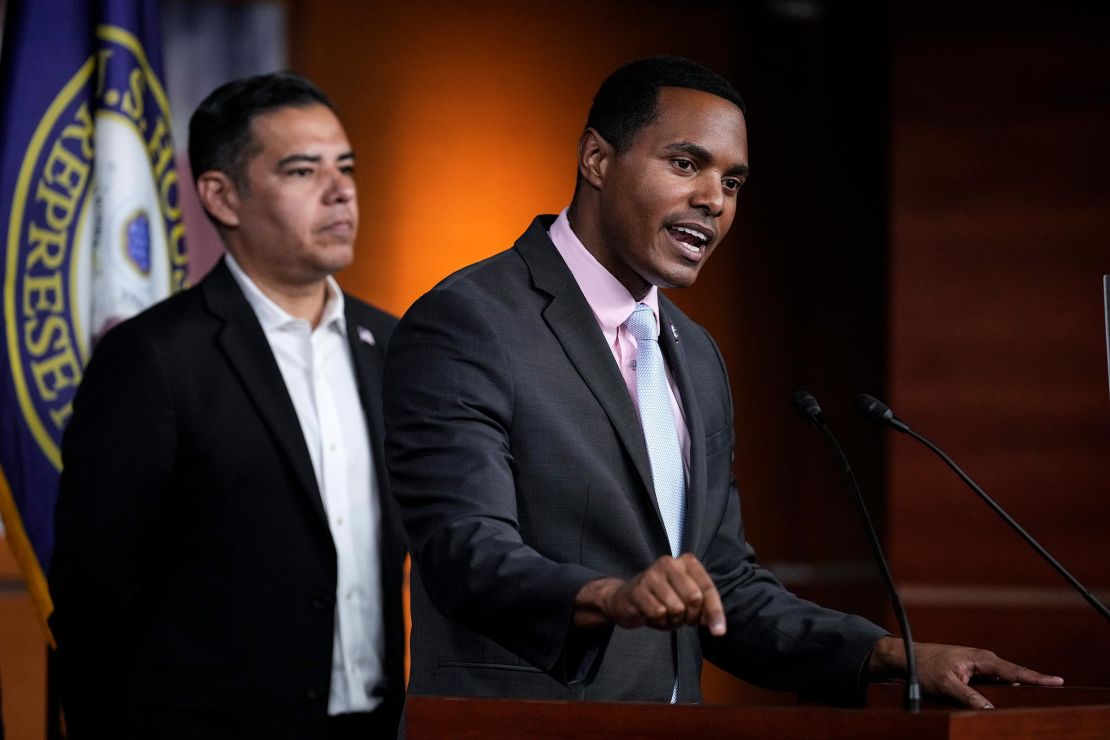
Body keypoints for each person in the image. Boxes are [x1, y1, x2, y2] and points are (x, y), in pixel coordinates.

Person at [382, 56, 1062, 708]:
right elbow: (464, 552)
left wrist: (889, 655)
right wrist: (611, 595)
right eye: (685, 163)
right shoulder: (470, 321)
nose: (713, 200)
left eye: (733, 183)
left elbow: (724, 584)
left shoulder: (695, 354)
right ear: (597, 159)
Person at [49, 72, 405, 739]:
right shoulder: (152, 358)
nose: (341, 192)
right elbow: (93, 595)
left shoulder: (392, 347)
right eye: (302, 171)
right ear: (221, 195)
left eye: (346, 167)